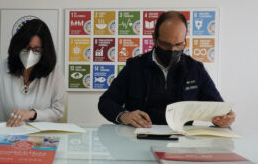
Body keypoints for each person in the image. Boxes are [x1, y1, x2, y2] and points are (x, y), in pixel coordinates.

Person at [98, 11, 235, 128]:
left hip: (182, 144)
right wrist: (124, 116)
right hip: (139, 138)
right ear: (154, 38)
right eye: (166, 44)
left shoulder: (195, 69)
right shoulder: (135, 67)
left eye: (179, 45)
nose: (172, 50)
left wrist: (225, 117)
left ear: (185, 41)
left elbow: (218, 108)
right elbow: (105, 102)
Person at [0, 19, 66, 127]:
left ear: (45, 51)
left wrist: (31, 114)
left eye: (36, 49)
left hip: (41, 138)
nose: (30, 54)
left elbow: (58, 111)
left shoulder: (54, 72)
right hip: (7, 137)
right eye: (26, 48)